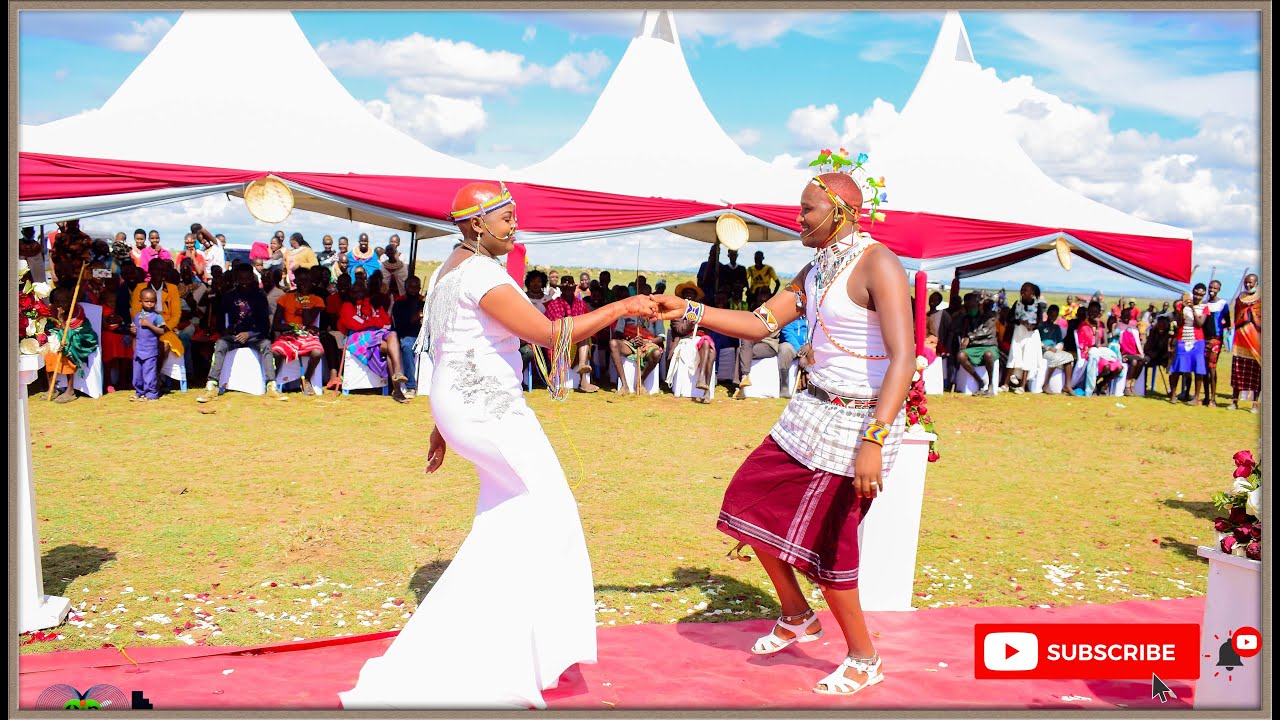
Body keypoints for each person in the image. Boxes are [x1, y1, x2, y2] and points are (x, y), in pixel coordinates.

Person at [340, 181, 658, 710]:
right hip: (489, 409)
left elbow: (450, 348)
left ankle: (505, 637)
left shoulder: (451, 268)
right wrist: (623, 305)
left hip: (465, 406)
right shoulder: (484, 274)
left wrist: (443, 424)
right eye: (505, 218)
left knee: (508, 516)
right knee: (549, 509)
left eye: (513, 216)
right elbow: (550, 336)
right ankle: (499, 650)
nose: (514, 225)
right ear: (473, 225)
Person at [650, 168, 914, 696]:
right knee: (748, 502)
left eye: (806, 210)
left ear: (840, 212)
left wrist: (875, 439)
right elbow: (760, 322)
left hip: (859, 423)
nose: (798, 218)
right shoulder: (816, 269)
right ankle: (797, 615)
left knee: (830, 544)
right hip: (809, 411)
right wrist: (692, 310)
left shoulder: (878, 263)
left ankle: (864, 657)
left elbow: (905, 356)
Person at [197, 265, 287, 402]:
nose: (244, 282)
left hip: (254, 336)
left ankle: (271, 386)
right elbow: (221, 320)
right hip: (234, 336)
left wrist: (249, 334)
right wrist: (227, 331)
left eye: (247, 278)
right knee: (220, 344)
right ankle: (212, 386)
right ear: (236, 279)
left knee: (267, 345)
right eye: (241, 279)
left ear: (252, 278)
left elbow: (265, 325)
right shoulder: (229, 296)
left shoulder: (260, 297)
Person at [340, 277, 410, 402]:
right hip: (357, 337)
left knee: (392, 334)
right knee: (389, 347)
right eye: (356, 291)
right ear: (351, 292)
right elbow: (354, 324)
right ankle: (397, 389)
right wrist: (372, 321)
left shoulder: (373, 305)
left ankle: (398, 373)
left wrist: (369, 321)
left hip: (376, 334)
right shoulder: (347, 306)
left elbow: (386, 322)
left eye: (362, 291)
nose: (359, 294)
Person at [733, 286, 795, 399]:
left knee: (743, 348)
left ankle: (740, 383)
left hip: (769, 345)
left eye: (765, 301)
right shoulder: (755, 312)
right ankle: (742, 381)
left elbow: (770, 333)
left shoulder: (776, 314)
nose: (762, 303)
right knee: (741, 346)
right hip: (755, 342)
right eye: (760, 301)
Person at [271, 269, 325, 396]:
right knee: (276, 352)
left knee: (317, 352)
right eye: (300, 281)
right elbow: (276, 325)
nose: (304, 284)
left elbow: (307, 321)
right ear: (295, 282)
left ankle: (306, 379)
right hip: (289, 334)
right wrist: (293, 327)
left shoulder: (317, 300)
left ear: (312, 283)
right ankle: (273, 381)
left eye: (307, 281)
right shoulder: (284, 298)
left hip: (307, 335)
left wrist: (305, 301)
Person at [130, 258, 184, 382]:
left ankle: (155, 377)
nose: (159, 273)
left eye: (162, 270)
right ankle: (141, 379)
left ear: (165, 272)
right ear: (150, 271)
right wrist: (147, 325)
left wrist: (165, 327)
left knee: (164, 345)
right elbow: (135, 311)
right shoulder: (140, 287)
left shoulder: (172, 288)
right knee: (136, 344)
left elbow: (176, 314)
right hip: (144, 325)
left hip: (165, 328)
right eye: (155, 270)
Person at [544, 273, 600, 392]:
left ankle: (583, 376)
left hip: (578, 340)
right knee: (582, 336)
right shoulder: (554, 304)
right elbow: (555, 327)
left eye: (570, 289)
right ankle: (576, 379)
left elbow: (588, 322)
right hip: (559, 341)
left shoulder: (581, 304)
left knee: (585, 336)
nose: (568, 291)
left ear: (574, 288)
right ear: (561, 289)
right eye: (565, 289)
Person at [45, 285, 100, 403]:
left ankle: (70, 391)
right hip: (59, 340)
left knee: (68, 348)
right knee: (49, 351)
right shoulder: (51, 310)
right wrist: (54, 341)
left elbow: (73, 334)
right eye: (57, 301)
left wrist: (61, 319)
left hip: (79, 339)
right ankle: (52, 388)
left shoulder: (78, 311)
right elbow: (50, 328)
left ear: (71, 301)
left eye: (64, 301)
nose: (60, 304)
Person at [608, 283, 664, 395]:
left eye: (646, 296)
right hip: (629, 344)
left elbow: (661, 337)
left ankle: (640, 381)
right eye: (641, 295)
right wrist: (630, 339)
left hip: (648, 345)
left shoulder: (655, 313)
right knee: (613, 343)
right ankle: (624, 385)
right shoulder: (627, 311)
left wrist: (646, 341)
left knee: (657, 353)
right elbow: (618, 332)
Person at [666, 282, 717, 402]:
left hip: (702, 339)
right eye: (686, 294)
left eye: (691, 294)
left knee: (711, 351)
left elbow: (710, 327)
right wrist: (693, 318)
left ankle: (705, 387)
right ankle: (704, 385)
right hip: (685, 340)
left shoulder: (702, 310)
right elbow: (680, 330)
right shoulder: (677, 312)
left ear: (695, 297)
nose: (689, 296)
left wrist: (702, 318)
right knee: (707, 344)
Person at [1169, 286, 1209, 405]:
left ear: (1203, 295)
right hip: (1182, 339)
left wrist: (1193, 309)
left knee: (1198, 369)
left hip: (1197, 340)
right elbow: (1179, 323)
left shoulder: (1205, 308)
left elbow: (1199, 324)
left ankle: (1196, 397)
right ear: (1192, 293)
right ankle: (1173, 394)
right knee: (1177, 367)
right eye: (1196, 294)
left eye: (1200, 295)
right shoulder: (1181, 306)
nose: (1197, 296)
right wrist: (1183, 309)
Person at [955, 292, 998, 396]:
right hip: (973, 348)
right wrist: (960, 315)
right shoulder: (965, 318)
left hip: (988, 346)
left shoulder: (989, 317)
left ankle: (991, 385)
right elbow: (955, 329)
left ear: (979, 305)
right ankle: (979, 380)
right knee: (961, 356)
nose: (971, 308)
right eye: (968, 306)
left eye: (973, 306)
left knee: (988, 354)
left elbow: (985, 331)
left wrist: (969, 337)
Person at [1229, 273, 1261, 412]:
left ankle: (1255, 404)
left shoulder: (1262, 297)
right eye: (1246, 282)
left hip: (1256, 340)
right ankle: (1234, 402)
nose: (1248, 285)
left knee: (1256, 372)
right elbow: (1237, 315)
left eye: (1251, 283)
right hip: (1240, 338)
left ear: (1256, 283)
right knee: (1238, 370)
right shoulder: (1240, 298)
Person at [390, 275, 426, 400]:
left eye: (416, 287)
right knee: (406, 345)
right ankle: (411, 386)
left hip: (425, 336)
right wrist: (415, 318)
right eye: (411, 287)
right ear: (405, 287)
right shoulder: (399, 303)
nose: (413, 289)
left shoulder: (424, 302)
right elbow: (399, 326)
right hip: (408, 336)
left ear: (420, 288)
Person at [1005, 282, 1041, 394]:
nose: (1023, 292)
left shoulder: (1037, 306)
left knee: (1027, 357)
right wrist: (1019, 321)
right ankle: (1005, 384)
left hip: (1031, 334)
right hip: (1019, 332)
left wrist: (1033, 327)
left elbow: (1040, 322)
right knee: (1014, 356)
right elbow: (1009, 318)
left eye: (1026, 290)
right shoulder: (1017, 304)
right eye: (1022, 289)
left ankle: (1022, 386)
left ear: (1032, 293)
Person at [131, 288, 166, 402]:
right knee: (137, 373)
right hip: (139, 348)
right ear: (140, 301)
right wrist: (133, 330)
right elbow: (135, 329)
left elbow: (162, 331)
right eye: (147, 301)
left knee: (149, 372)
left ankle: (151, 393)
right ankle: (139, 392)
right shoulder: (137, 315)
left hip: (150, 350)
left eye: (152, 301)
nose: (150, 303)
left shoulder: (157, 317)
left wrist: (149, 325)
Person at [1201, 279, 1229, 407]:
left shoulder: (1223, 304)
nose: (1212, 290)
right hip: (1203, 339)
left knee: (1212, 368)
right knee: (1204, 369)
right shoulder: (1204, 303)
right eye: (1210, 288)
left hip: (1215, 339)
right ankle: (1206, 397)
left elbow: (1227, 322)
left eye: (1215, 288)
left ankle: (1213, 398)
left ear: (1219, 290)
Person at [1038, 305, 1075, 394]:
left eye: (1055, 316)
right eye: (1051, 315)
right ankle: (1046, 384)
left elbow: (1060, 341)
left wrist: (1057, 347)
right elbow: (1036, 340)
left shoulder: (1056, 328)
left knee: (1069, 357)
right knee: (1055, 358)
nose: (1052, 318)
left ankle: (1067, 385)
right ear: (1047, 313)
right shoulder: (1041, 326)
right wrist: (1047, 348)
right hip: (1043, 350)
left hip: (1053, 350)